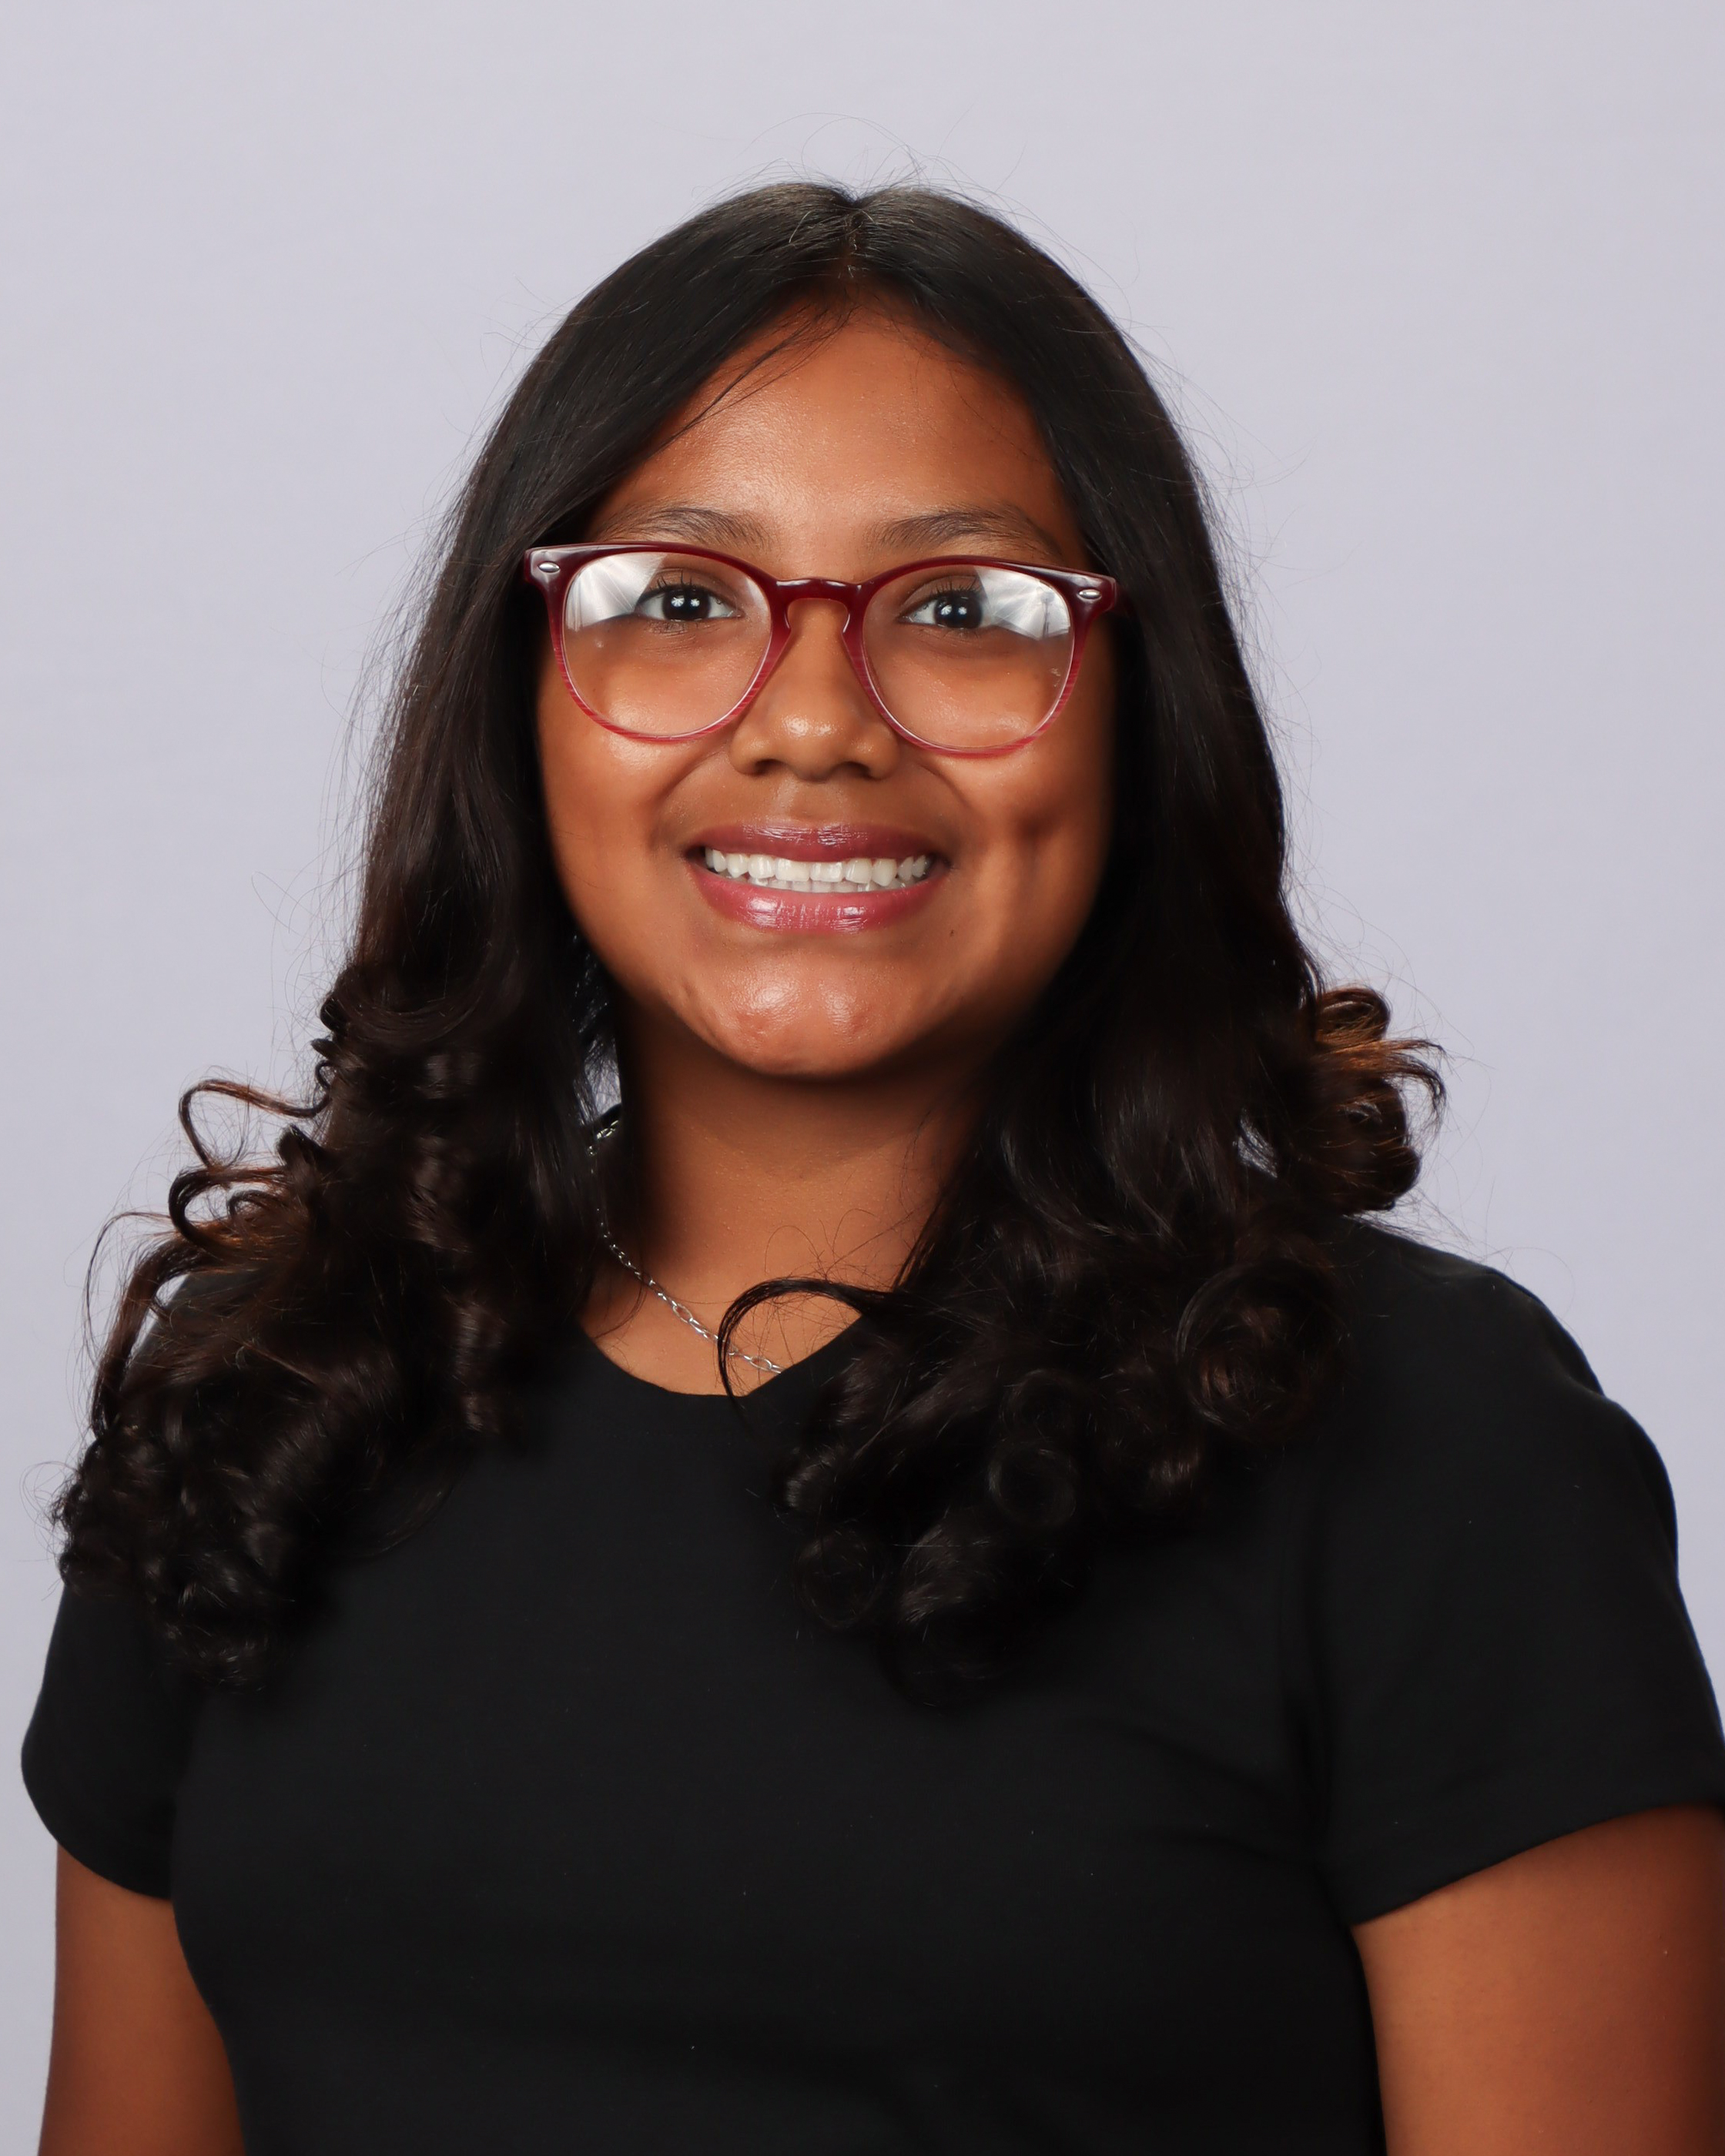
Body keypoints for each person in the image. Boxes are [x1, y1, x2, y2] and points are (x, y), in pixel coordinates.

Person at [21, 182, 1725, 2156]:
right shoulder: (269, 1398)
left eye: (965, 609)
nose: (816, 723)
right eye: (679, 599)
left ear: (1136, 710)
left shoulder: (1421, 1444)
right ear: (518, 696)